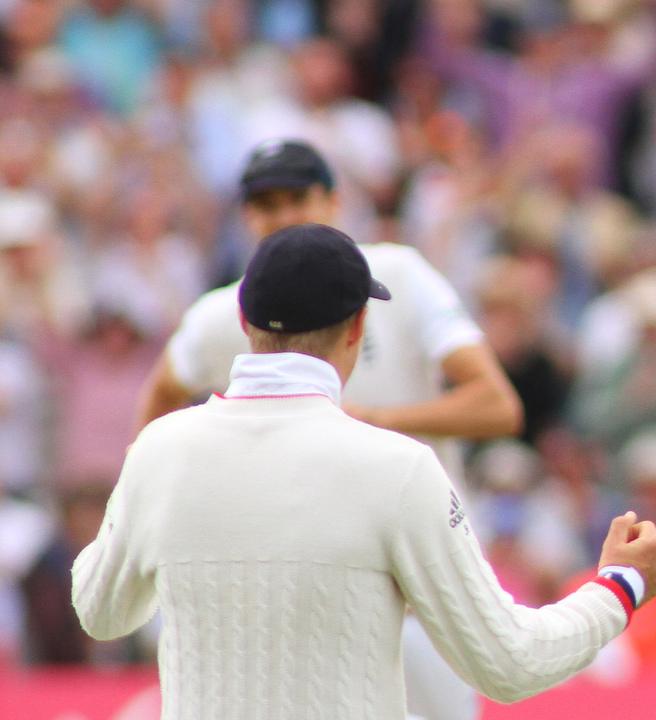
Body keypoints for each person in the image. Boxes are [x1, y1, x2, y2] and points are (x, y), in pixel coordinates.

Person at [72, 223, 656, 718]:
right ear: (358, 327)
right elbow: (508, 663)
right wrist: (620, 586)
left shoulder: (161, 451)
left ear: (245, 321)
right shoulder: (400, 468)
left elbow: (102, 611)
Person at [133, 139, 522, 720]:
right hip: (302, 611)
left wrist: (378, 424)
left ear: (334, 201)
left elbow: (497, 405)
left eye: (298, 198)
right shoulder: (222, 314)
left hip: (423, 599)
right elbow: (162, 394)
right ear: (246, 216)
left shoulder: (398, 276)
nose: (284, 216)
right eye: (267, 204)